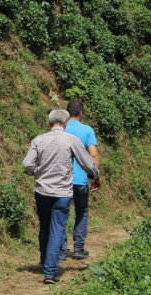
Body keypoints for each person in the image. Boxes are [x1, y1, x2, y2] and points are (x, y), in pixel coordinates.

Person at [22, 109, 100, 284]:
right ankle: (50, 272)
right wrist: (95, 175)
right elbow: (87, 163)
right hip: (62, 193)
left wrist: (35, 172)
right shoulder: (71, 140)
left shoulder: (38, 140)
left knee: (45, 225)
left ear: (49, 123)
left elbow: (27, 163)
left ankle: (45, 261)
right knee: (57, 228)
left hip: (42, 191)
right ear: (64, 124)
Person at [60, 100, 101, 260]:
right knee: (81, 212)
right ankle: (78, 249)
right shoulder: (87, 130)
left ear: (66, 112)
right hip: (80, 180)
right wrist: (95, 176)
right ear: (81, 113)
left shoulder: (60, 128)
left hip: (61, 181)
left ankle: (62, 250)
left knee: (61, 213)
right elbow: (93, 154)